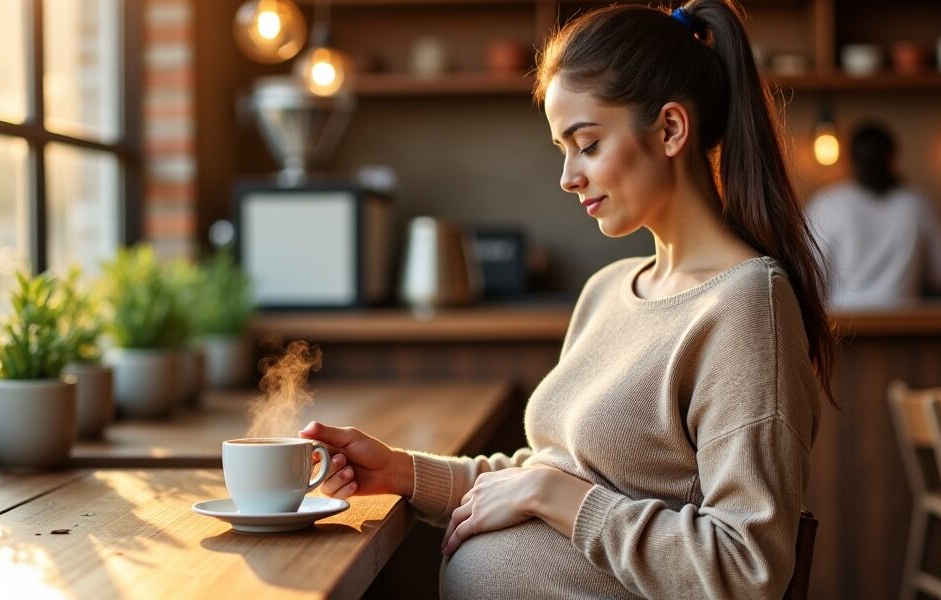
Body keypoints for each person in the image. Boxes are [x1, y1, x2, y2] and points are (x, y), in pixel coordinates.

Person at [299, 1, 832, 597]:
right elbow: (548, 475)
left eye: (588, 144)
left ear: (671, 129)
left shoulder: (745, 306)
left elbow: (745, 567)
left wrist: (555, 497)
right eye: (562, 148)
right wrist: (399, 471)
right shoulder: (607, 290)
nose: (567, 176)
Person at [806, 122, 941, 309]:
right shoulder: (917, 204)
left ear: (851, 161)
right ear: (892, 159)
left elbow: (810, 276)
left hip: (842, 323)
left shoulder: (827, 202)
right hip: (903, 322)